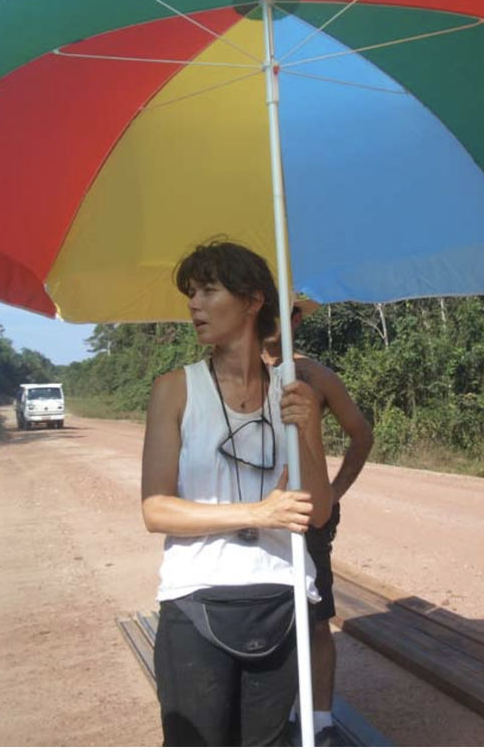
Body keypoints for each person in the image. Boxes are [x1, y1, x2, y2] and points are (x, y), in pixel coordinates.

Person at [141, 241, 332, 747]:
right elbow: (155, 509)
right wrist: (260, 511)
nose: (194, 305)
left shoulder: (294, 395)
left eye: (208, 290)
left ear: (252, 301)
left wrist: (308, 428)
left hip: (283, 595)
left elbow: (320, 511)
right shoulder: (175, 390)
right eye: (191, 293)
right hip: (197, 599)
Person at [262, 301, 374, 747]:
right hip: (256, 512)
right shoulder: (238, 373)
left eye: (283, 313)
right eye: (265, 310)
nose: (273, 322)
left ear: (298, 319)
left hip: (308, 514)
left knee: (315, 617)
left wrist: (335, 491)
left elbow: (361, 434)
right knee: (265, 614)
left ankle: (321, 718)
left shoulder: (314, 375)